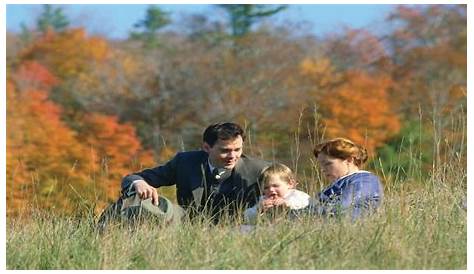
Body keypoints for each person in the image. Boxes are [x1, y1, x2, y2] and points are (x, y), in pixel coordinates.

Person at [120, 122, 269, 224]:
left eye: (238, 150)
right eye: (225, 151)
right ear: (206, 147)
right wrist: (138, 183)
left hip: (240, 232)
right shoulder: (185, 162)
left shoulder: (260, 170)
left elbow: (288, 192)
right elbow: (134, 178)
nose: (233, 156)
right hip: (185, 228)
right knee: (137, 202)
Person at [307, 137, 383, 220]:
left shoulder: (365, 181)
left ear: (349, 160)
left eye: (328, 164)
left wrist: (309, 210)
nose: (322, 169)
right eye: (321, 165)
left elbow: (340, 207)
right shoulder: (340, 183)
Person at [244, 163, 310, 225]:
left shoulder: (295, 195)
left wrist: (286, 203)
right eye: (266, 187)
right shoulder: (264, 199)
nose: (271, 190)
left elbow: (306, 205)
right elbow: (247, 217)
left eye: (275, 186)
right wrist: (259, 209)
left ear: (290, 184)